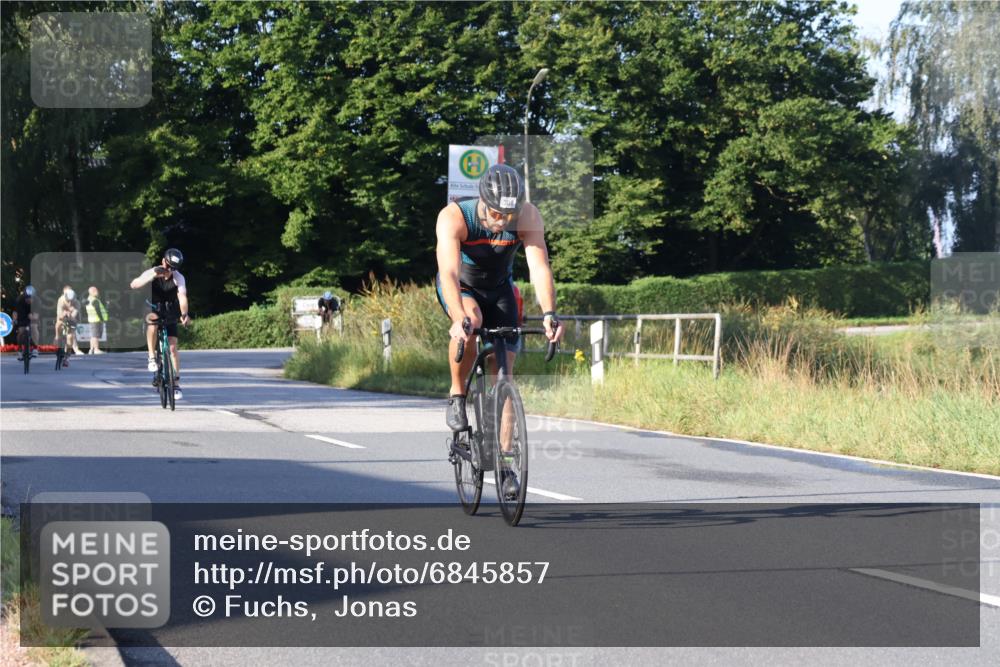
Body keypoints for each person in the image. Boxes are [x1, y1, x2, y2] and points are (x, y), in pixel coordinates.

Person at [435, 163, 564, 434]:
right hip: (463, 286)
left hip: (500, 287)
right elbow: (448, 272)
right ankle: (457, 395)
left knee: (504, 374)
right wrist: (458, 318)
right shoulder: (455, 216)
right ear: (482, 200)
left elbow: (539, 268)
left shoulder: (527, 216)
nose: (502, 221)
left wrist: (550, 313)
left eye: (508, 214)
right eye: (496, 212)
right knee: (471, 321)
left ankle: (505, 462)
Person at [130, 248, 190, 400]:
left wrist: (184, 314)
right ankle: (151, 357)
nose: (169, 271)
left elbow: (182, 297)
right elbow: (134, 284)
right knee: (152, 321)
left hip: (169, 310)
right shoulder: (154, 272)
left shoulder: (178, 278)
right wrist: (151, 276)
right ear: (163, 261)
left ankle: (175, 383)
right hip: (152, 307)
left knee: (172, 348)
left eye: (173, 269)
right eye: (168, 267)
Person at [54, 286, 82, 364]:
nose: (69, 303)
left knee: (70, 337)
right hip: (62, 318)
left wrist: (70, 315)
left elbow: (73, 317)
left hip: (73, 320)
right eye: (68, 301)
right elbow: (59, 315)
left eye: (71, 301)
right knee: (58, 324)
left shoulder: (77, 303)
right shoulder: (61, 300)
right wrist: (64, 314)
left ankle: (67, 356)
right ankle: (57, 339)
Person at [13, 285, 39, 361]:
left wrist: (33, 317)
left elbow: (36, 316)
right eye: (27, 298)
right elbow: (15, 312)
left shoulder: (37, 301)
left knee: (34, 327)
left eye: (31, 298)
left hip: (32, 315)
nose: (29, 299)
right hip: (22, 316)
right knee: (21, 331)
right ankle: (20, 350)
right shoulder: (19, 300)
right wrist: (14, 320)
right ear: (24, 297)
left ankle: (35, 348)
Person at [85, 286, 109, 354]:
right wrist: (102, 319)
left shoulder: (89, 299)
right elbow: (98, 310)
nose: (97, 292)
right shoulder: (94, 300)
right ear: (92, 292)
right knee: (95, 335)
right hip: (96, 319)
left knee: (93, 335)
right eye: (96, 291)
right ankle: (96, 349)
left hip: (92, 319)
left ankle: (91, 349)